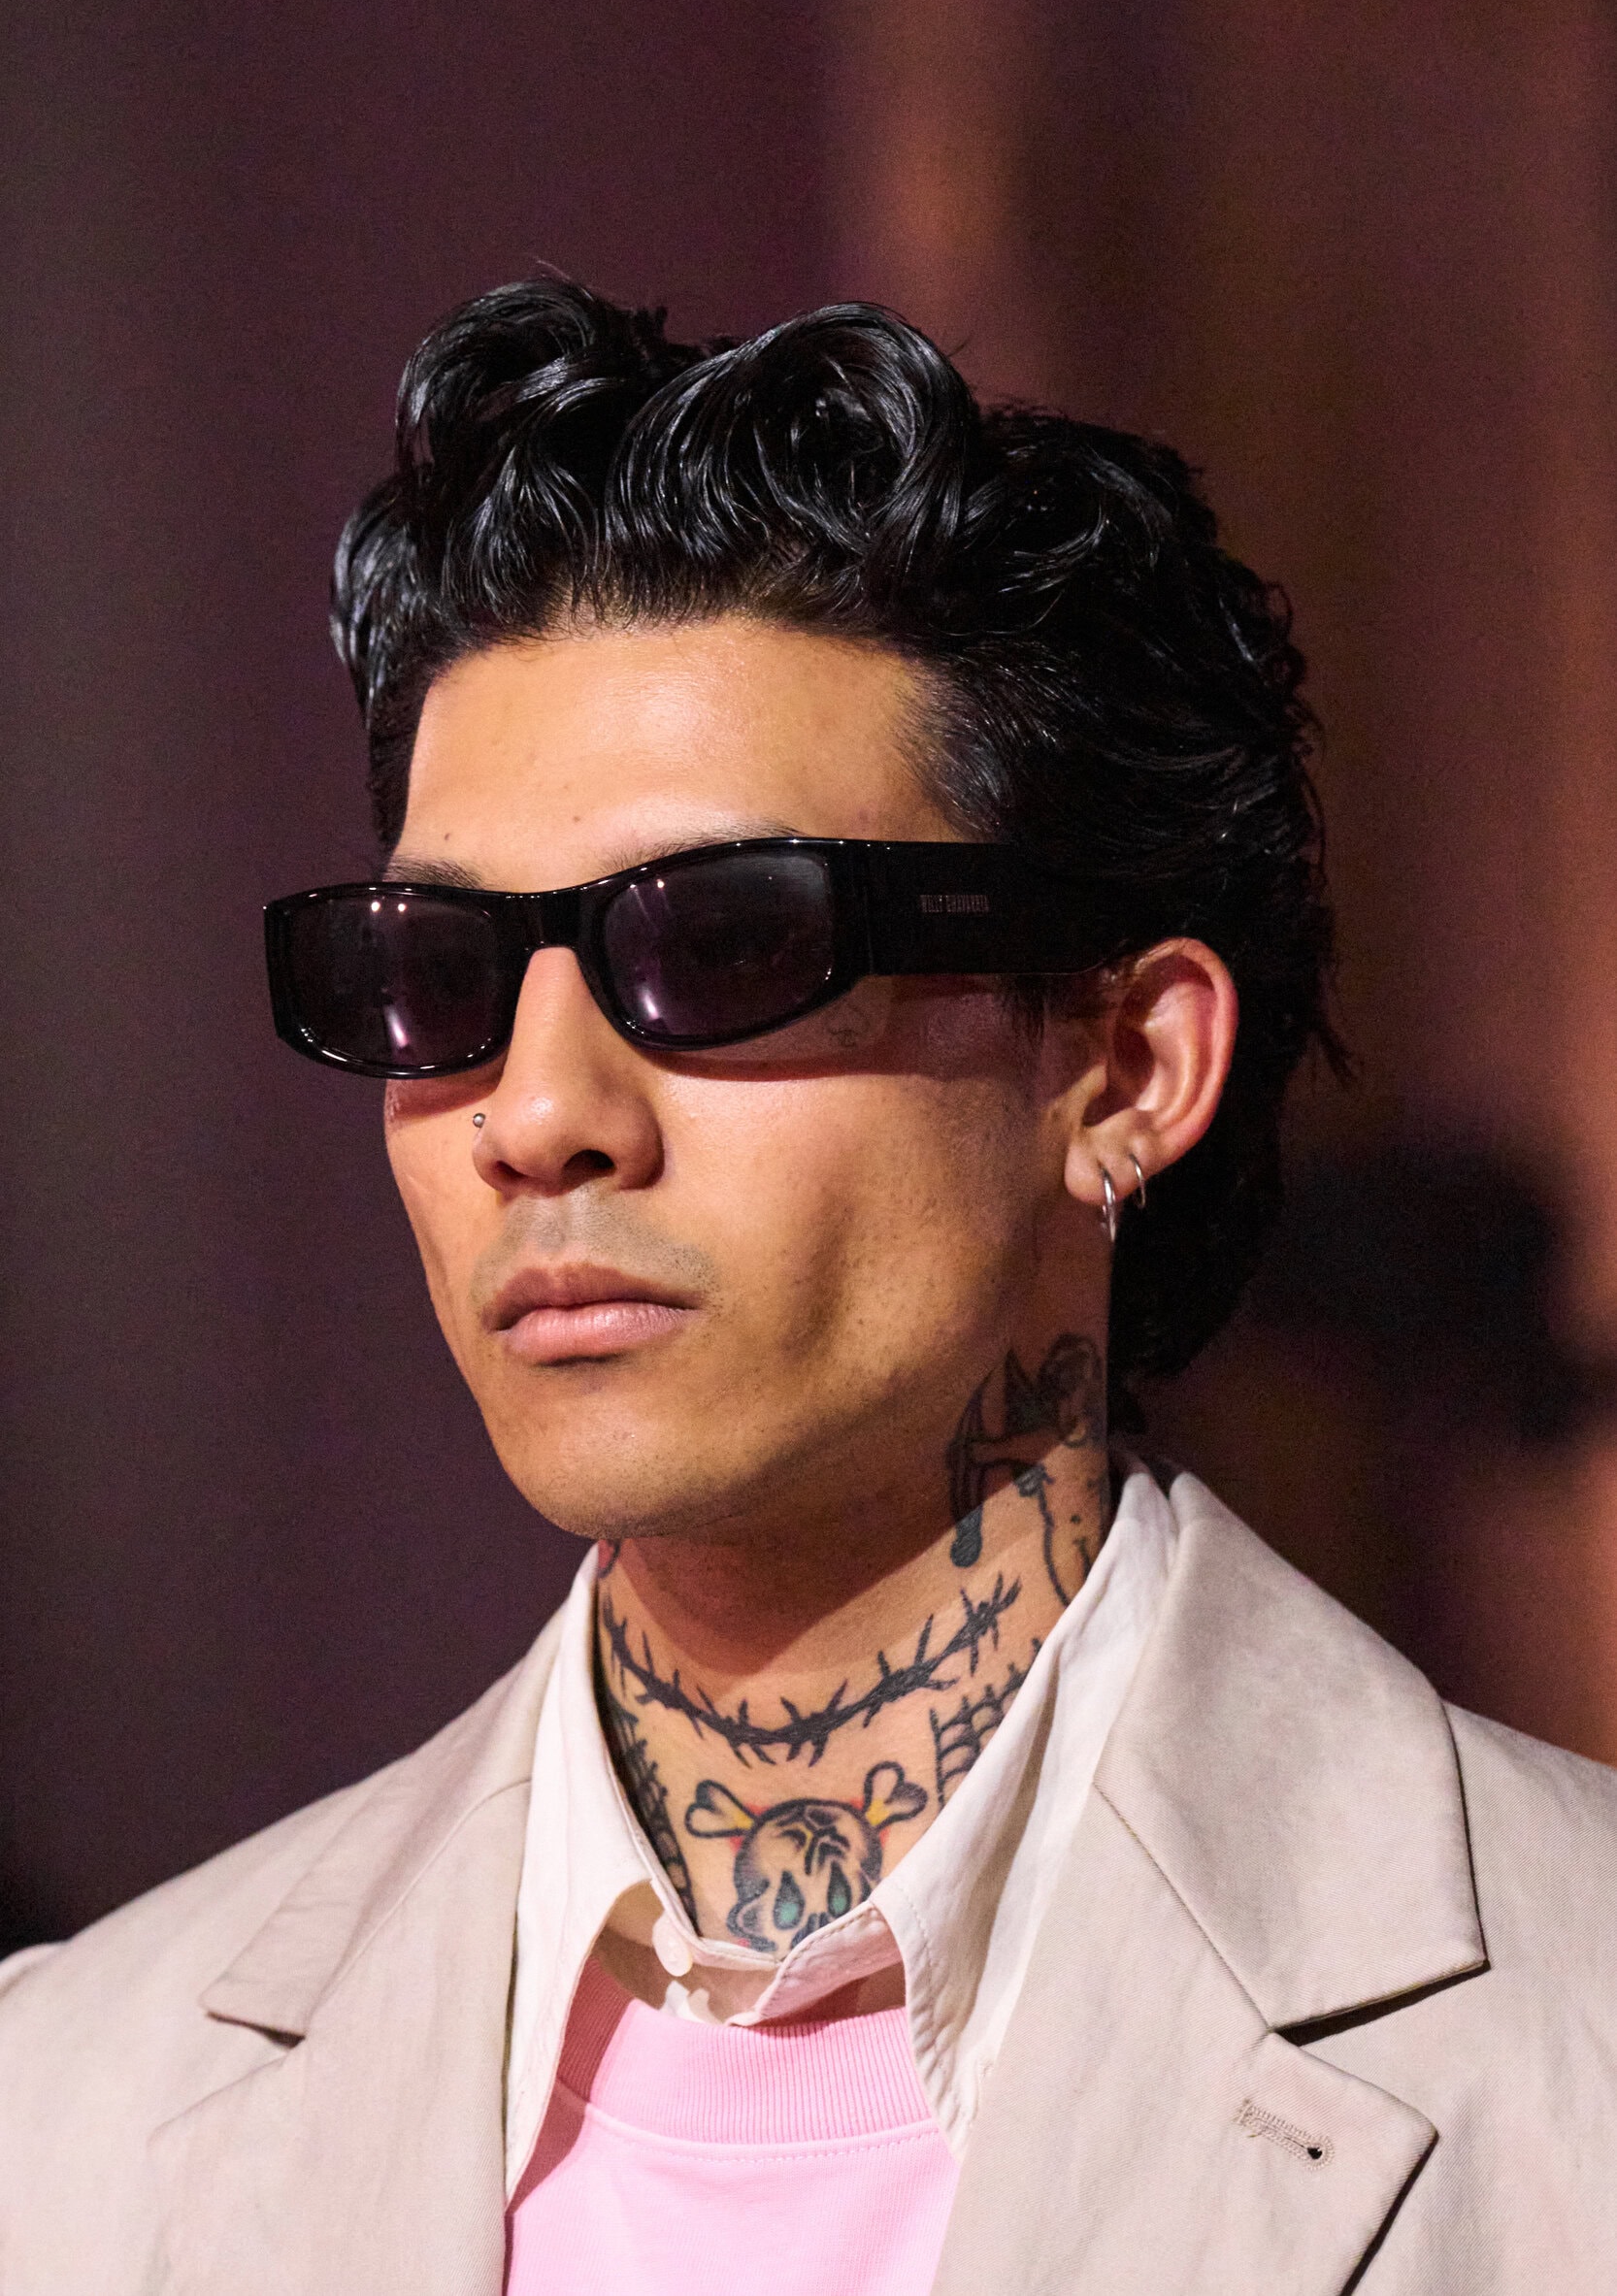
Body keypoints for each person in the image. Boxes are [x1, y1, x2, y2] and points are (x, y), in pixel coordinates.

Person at [2, 278, 1614, 2295]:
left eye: (727, 944)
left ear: (1124, 1067)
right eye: (432, 973)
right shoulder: (68, 2115)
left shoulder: (1571, 2056)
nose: (537, 1114)